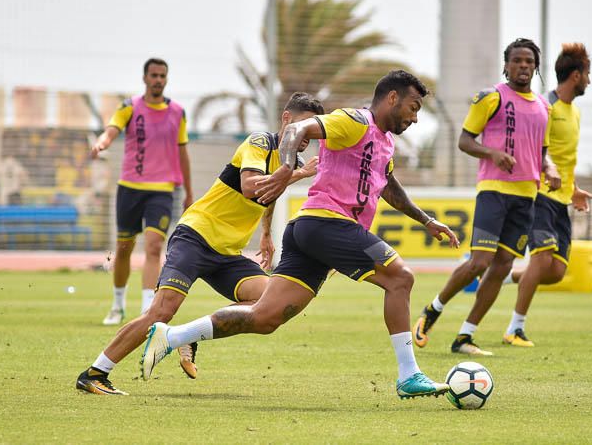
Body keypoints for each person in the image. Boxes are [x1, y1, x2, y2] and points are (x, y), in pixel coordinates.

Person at [140, 70, 459, 400]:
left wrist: (426, 220)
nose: (416, 118)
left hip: (311, 234)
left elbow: (388, 186)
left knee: (265, 317)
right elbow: (296, 129)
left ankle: (173, 337)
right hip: (327, 224)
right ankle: (409, 374)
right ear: (392, 98)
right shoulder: (354, 121)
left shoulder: (385, 141)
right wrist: (285, 165)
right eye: (413, 106)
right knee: (400, 278)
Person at [76, 93, 323, 395]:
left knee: (269, 305)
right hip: (196, 236)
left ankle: (187, 335)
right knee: (161, 312)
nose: (305, 136)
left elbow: (269, 194)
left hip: (227, 253)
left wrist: (267, 233)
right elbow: (249, 187)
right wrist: (298, 174)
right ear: (286, 119)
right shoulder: (260, 142)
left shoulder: (290, 161)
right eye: (303, 125)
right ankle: (95, 373)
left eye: (312, 130)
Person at [412, 38, 560, 356]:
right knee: (480, 261)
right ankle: (433, 310)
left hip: (526, 197)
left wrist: (550, 168)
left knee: (504, 265)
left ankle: (465, 336)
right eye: (517, 60)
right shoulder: (490, 97)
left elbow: (543, 152)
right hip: (494, 192)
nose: (523, 65)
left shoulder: (544, 108)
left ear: (536, 67)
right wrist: (492, 153)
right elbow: (465, 141)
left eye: (529, 61)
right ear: (506, 65)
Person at [494, 43, 592, 346]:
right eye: (588, 74)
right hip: (539, 195)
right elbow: (539, 153)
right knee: (541, 258)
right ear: (576, 76)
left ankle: (504, 275)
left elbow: (564, 158)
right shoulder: (545, 107)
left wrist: (574, 189)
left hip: (562, 200)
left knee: (556, 272)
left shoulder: (575, 113)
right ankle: (515, 328)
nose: (590, 81)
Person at [91, 58, 194, 325]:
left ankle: (148, 308)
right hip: (130, 188)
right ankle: (117, 304)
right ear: (145, 78)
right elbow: (111, 131)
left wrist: (189, 192)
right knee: (124, 248)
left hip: (161, 191)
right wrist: (102, 143)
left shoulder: (178, 112)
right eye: (154, 75)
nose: (158, 79)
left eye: (162, 75)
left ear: (167, 79)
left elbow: (183, 151)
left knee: (153, 246)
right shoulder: (129, 107)